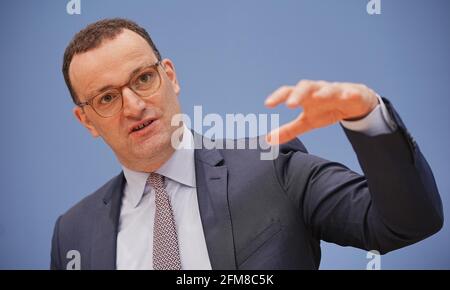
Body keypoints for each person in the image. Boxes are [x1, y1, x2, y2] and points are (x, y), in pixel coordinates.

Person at [51, 18, 443, 270]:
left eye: (142, 79)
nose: (134, 106)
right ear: (86, 121)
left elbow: (406, 223)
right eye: (106, 98)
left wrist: (367, 117)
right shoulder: (73, 232)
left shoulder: (272, 168)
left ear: (169, 76)